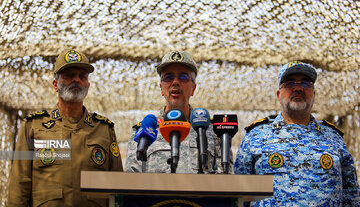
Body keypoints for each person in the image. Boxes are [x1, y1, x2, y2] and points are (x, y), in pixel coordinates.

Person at [234, 61, 360, 206]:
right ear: (278, 95)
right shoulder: (255, 137)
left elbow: (352, 198)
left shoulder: (334, 139)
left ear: (314, 94)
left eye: (305, 84)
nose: (298, 88)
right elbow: (238, 197)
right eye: (290, 84)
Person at [8, 50, 123, 207]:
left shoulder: (104, 130)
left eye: (82, 76)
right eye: (69, 75)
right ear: (56, 85)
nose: (76, 79)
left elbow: (117, 188)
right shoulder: (33, 126)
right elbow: (19, 186)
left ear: (88, 85)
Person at [126, 50, 228, 174]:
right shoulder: (143, 132)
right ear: (161, 88)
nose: (175, 82)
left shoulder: (214, 131)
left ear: (193, 88)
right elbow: (132, 181)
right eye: (168, 77)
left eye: (183, 77)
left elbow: (226, 178)